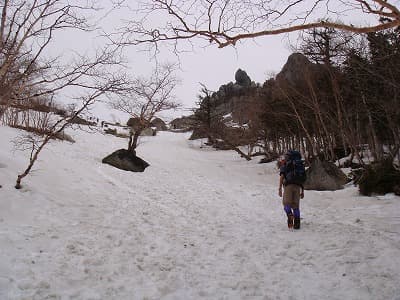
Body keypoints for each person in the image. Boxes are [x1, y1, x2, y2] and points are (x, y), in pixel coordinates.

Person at [278, 153, 305, 229]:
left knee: (286, 204)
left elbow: (282, 177)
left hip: (288, 186)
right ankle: (297, 225)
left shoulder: (285, 164)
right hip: (298, 186)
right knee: (296, 206)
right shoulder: (299, 166)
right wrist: (302, 191)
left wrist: (280, 188)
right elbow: (302, 179)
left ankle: (290, 215)